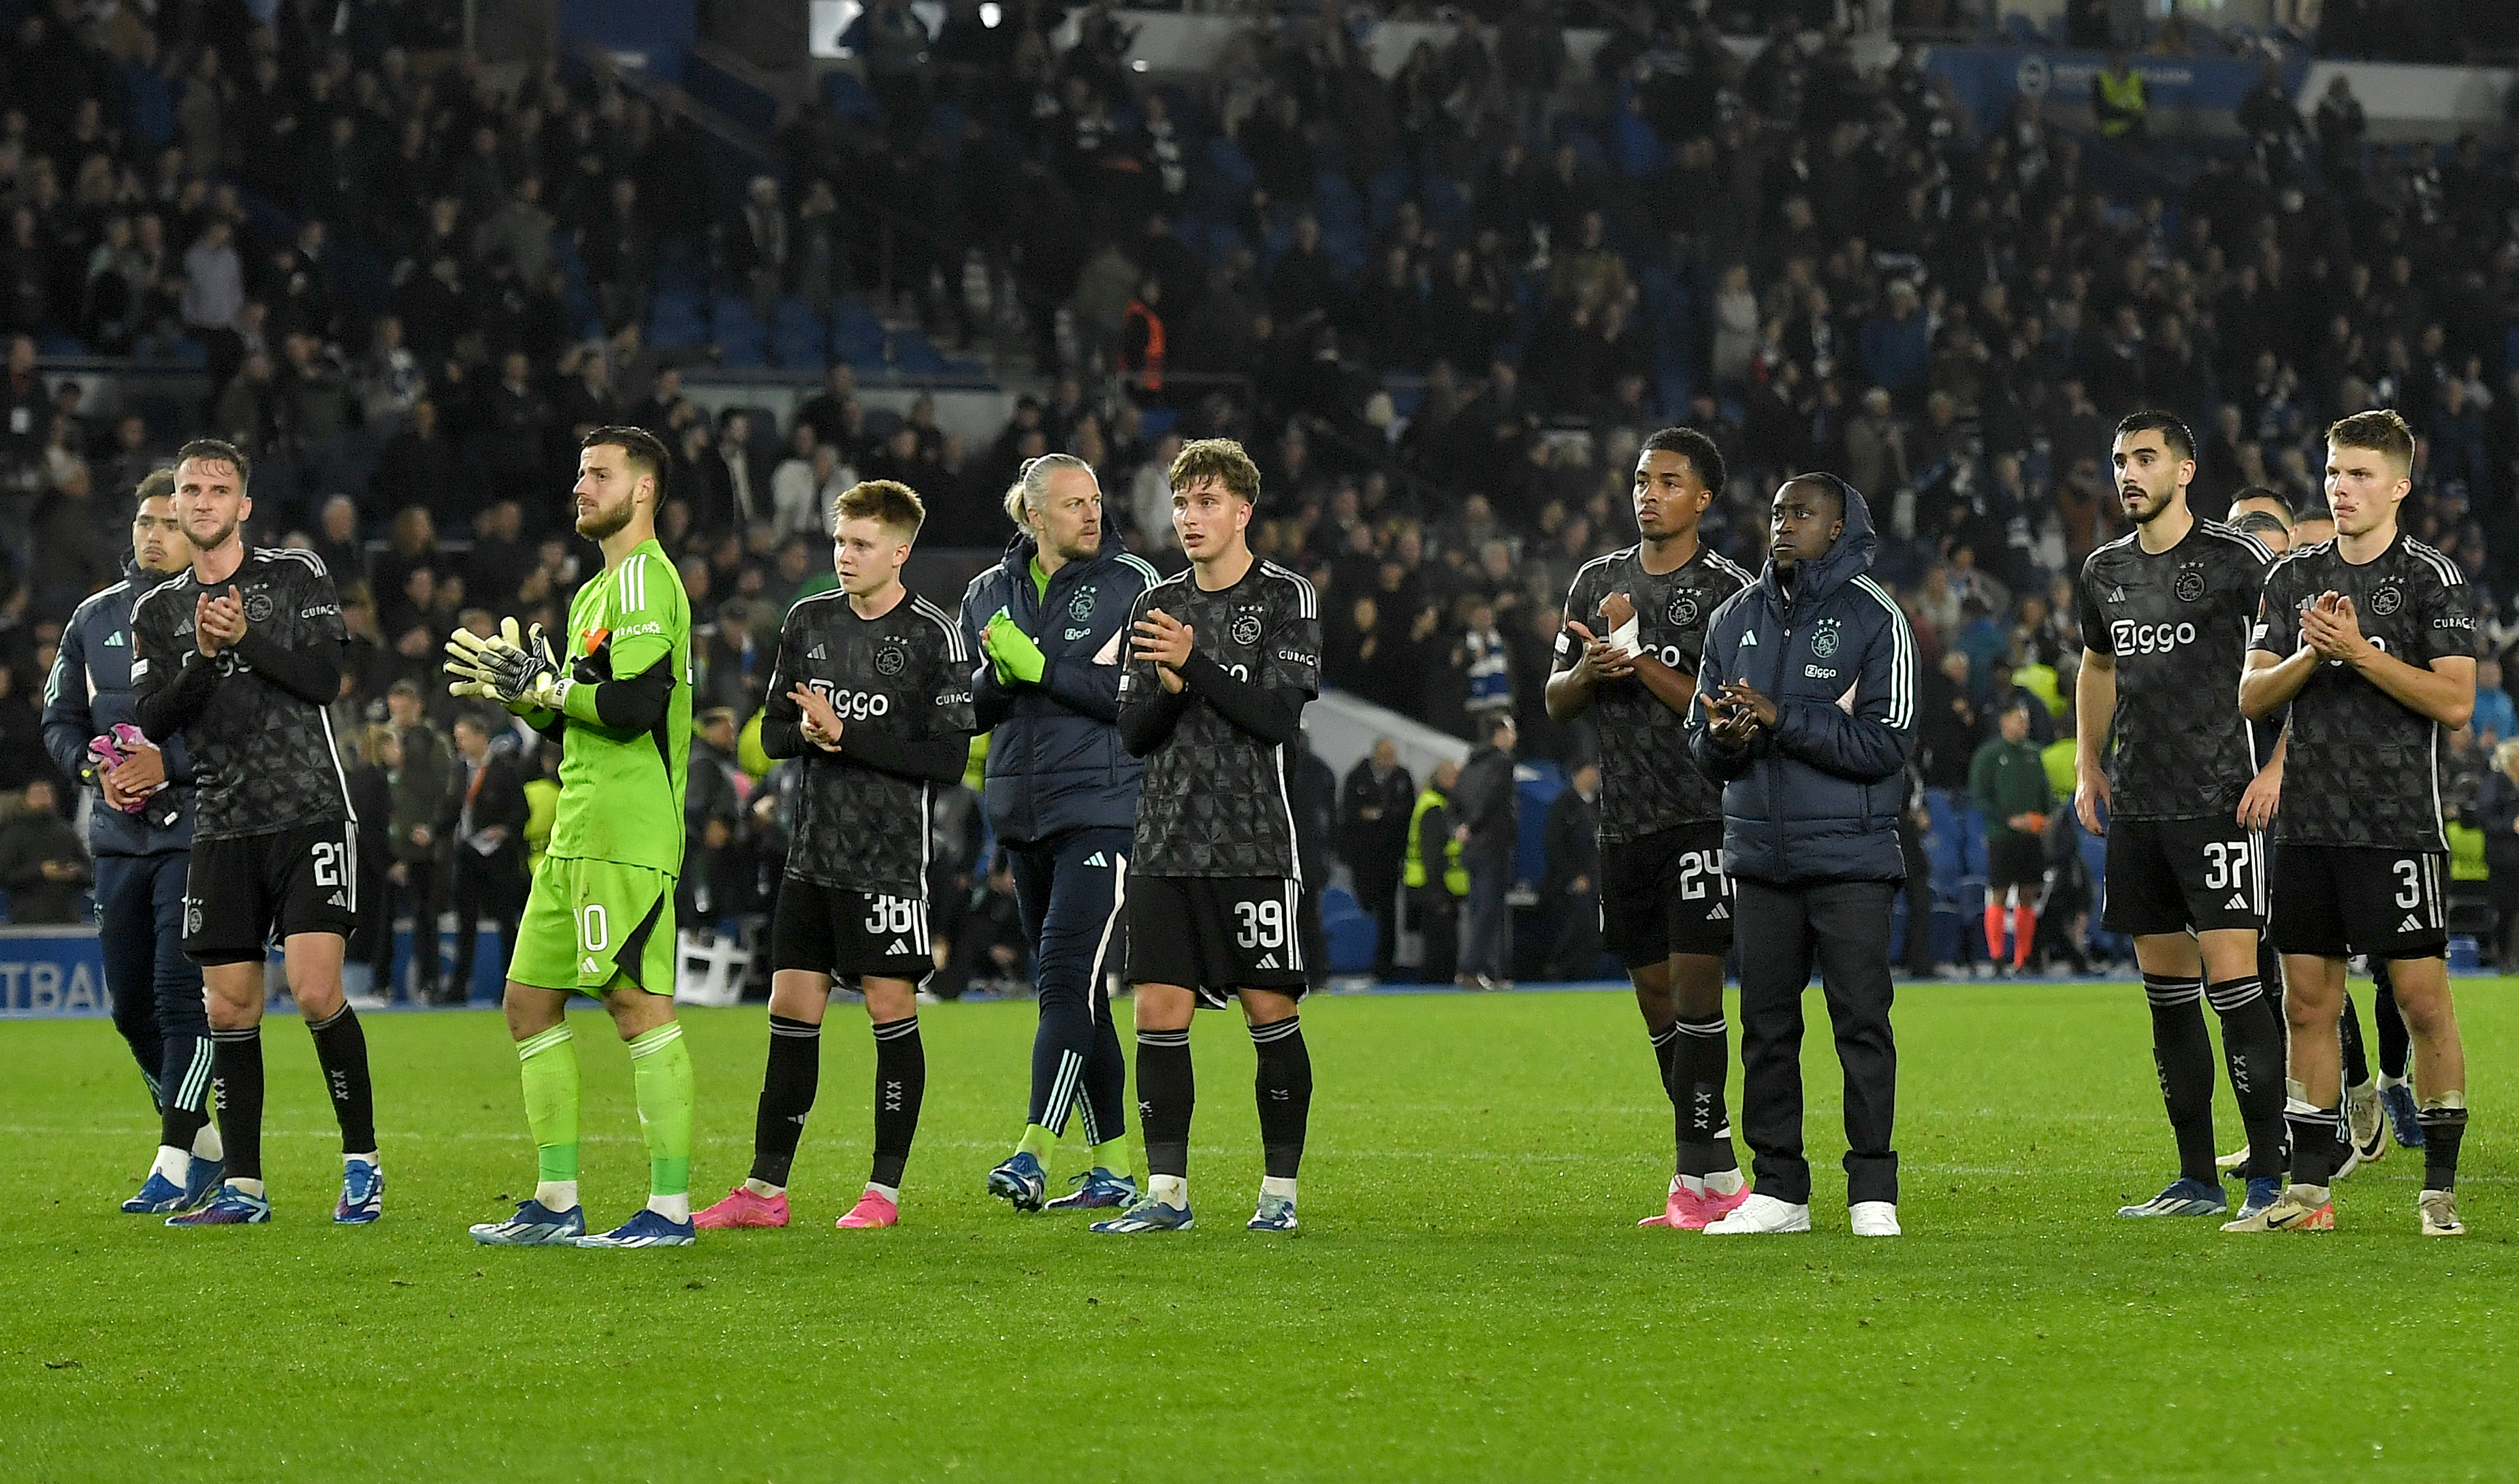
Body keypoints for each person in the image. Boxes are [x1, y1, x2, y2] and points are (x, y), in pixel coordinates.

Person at [694, 480, 974, 1233]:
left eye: (859, 544)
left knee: (889, 1009)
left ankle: (882, 1191)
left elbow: (947, 760)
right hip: (810, 853)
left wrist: (846, 734)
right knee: (789, 1011)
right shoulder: (807, 621)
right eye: (839, 541)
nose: (844, 556)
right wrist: (810, 735)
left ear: (899, 551)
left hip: (888, 861)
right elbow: (775, 731)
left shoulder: (933, 636)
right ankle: (764, 1188)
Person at [452, 426, 699, 1248]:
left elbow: (634, 707)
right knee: (528, 1002)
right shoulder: (596, 593)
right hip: (575, 828)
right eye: (579, 472)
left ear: (644, 490)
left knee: (634, 1005)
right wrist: (528, 700)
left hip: (626, 834)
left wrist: (551, 686)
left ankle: (669, 1209)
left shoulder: (643, 583)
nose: (581, 487)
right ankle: (557, 1201)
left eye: (600, 473)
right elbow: (585, 724)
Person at [2234, 409, 2475, 1236]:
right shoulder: (2293, 576)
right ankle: (2308, 1196)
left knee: (2421, 1001)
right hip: (2307, 827)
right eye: (2334, 471)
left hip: (2399, 823)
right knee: (2307, 1003)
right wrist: (2312, 653)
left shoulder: (2431, 578)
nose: (2341, 487)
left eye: (2361, 474)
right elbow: (2251, 694)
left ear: (2399, 486)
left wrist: (2361, 650)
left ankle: (2437, 1189)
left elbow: (2454, 700)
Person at [131, 438, 376, 1228]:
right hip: (224, 820)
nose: (201, 501)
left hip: (308, 808)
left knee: (312, 989)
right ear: (177, 506)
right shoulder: (157, 611)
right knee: (229, 1008)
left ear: (243, 506)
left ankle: (361, 1163)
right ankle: (243, 1187)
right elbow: (154, 720)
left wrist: (246, 641)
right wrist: (203, 656)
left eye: (217, 489)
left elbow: (326, 681)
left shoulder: (293, 574)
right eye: (190, 489)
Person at [1097, 437, 1321, 1234]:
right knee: (1157, 1010)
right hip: (1163, 841)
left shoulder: (1286, 597)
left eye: (1205, 502)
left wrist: (1195, 666)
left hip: (1255, 843)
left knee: (1269, 1008)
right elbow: (1133, 731)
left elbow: (1276, 717)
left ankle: (1279, 1193)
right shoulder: (1152, 604)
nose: (1188, 516)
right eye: (1181, 501)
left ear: (1242, 511)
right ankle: (1166, 1193)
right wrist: (1165, 685)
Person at [2072, 416, 2291, 1224]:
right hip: (2138, 806)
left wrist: (2276, 765)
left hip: (2222, 800)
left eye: (2144, 458)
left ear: (2185, 469)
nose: (2128, 472)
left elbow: (2306, 660)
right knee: (2165, 995)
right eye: (2120, 459)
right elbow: (2097, 663)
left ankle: (2270, 1175)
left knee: (2235, 986)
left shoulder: (2239, 562)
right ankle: (2195, 1177)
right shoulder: (2103, 570)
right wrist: (2087, 762)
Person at [1690, 472, 1918, 1237]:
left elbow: (1888, 745)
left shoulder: (1876, 617)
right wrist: (1722, 737)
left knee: (1860, 1023)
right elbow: (1699, 741)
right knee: (1764, 1028)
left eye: (1802, 513)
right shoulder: (1733, 617)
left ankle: (1871, 1191)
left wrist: (1781, 717)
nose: (1783, 524)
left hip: (1852, 858)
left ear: (1840, 526)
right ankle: (1779, 1189)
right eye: (1777, 510)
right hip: (1759, 856)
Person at [1544, 424, 1755, 1228]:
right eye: (1640, 479)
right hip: (1622, 821)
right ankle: (1709, 1176)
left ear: (1701, 498)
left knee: (1699, 990)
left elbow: (1724, 706)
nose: (1648, 493)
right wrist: (1586, 670)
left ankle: (1701, 1173)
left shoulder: (1730, 591)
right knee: (1654, 998)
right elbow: (1555, 701)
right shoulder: (1595, 578)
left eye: (1667, 481)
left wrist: (1632, 656)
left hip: (1702, 812)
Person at [957, 453, 1155, 1215]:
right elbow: (967, 710)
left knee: (1063, 981)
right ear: (1034, 515)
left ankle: (1034, 1148)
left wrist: (1036, 666)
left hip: (1104, 808)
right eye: (1074, 503)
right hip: (1021, 813)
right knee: (1084, 997)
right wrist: (999, 678)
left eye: (1097, 499)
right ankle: (1111, 1165)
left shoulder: (1132, 582)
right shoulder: (986, 593)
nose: (1092, 513)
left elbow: (1133, 699)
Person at [41, 468, 223, 1212]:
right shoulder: (92, 618)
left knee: (181, 998)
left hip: (197, 830)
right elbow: (58, 721)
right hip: (118, 838)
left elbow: (242, 732)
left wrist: (164, 764)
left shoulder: (218, 617)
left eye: (169, 523)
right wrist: (97, 770)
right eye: (145, 521)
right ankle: (205, 1146)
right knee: (129, 1008)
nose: (153, 534)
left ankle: (174, 1157)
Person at [440, 711, 530, 1003]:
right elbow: (452, 809)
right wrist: (433, 831)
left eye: (465, 737)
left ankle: (511, 988)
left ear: (482, 737)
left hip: (498, 858)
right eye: (458, 738)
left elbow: (521, 813)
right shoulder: (458, 770)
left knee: (506, 922)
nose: (461, 744)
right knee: (465, 923)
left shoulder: (504, 769)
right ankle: (458, 988)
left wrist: (503, 831)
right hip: (467, 854)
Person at [1971, 700, 2052, 975]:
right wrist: (2009, 819)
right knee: (2000, 891)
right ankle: (1996, 958)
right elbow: (1980, 796)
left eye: (2025, 719)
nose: (2023, 724)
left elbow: (2046, 794)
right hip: (2002, 836)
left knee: (2028, 892)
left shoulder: (2033, 754)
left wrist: (2045, 816)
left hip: (2031, 836)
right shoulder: (1989, 755)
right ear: (2004, 721)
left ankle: (2023, 958)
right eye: (2018, 718)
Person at [1451, 712, 1520, 990]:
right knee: (1488, 911)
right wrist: (1473, 825)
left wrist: (1460, 827)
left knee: (1478, 909)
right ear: (1499, 733)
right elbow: (1491, 798)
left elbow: (1454, 801)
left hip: (1471, 848)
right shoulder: (1502, 763)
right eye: (1510, 729)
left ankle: (1488, 972)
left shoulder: (1469, 764)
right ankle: (1470, 970)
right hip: (1492, 846)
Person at [1338, 737, 1414, 979]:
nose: (1389, 761)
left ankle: (1384, 967)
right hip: (1363, 859)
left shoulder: (1403, 779)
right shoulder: (1357, 777)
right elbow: (1346, 813)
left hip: (1391, 859)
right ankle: (1356, 961)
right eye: (1385, 755)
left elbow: (1407, 815)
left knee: (1388, 913)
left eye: (1392, 755)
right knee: (1365, 906)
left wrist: (1385, 818)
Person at [1406, 758, 1466, 984]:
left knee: (1440, 945)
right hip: (1433, 888)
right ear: (1444, 779)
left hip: (1433, 886)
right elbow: (1432, 853)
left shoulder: (1437, 802)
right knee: (1440, 948)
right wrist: (1438, 894)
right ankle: (1436, 986)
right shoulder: (1434, 807)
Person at [1539, 760, 1601, 980]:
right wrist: (1574, 875)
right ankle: (1561, 968)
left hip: (1596, 879)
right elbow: (1554, 844)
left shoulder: (1596, 804)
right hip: (1570, 882)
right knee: (1579, 923)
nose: (1593, 776)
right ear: (1576, 774)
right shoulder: (1564, 804)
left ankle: (1586, 971)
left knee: (1595, 927)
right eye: (1589, 771)